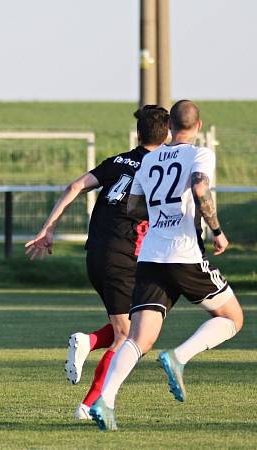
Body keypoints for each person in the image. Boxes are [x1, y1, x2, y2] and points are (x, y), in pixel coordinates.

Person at [89, 100, 245, 431]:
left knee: (138, 339)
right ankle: (179, 357)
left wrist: (161, 211)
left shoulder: (149, 160)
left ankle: (106, 400)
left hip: (150, 256)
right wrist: (217, 231)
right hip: (185, 253)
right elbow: (200, 187)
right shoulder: (200, 154)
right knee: (233, 317)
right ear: (198, 125)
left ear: (170, 127)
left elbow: (134, 204)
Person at [25, 105, 170, 420]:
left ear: (138, 133)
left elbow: (74, 186)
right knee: (128, 337)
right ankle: (89, 405)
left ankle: (88, 341)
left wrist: (47, 230)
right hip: (124, 256)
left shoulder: (117, 161)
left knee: (132, 328)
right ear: (167, 134)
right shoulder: (161, 168)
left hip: (96, 254)